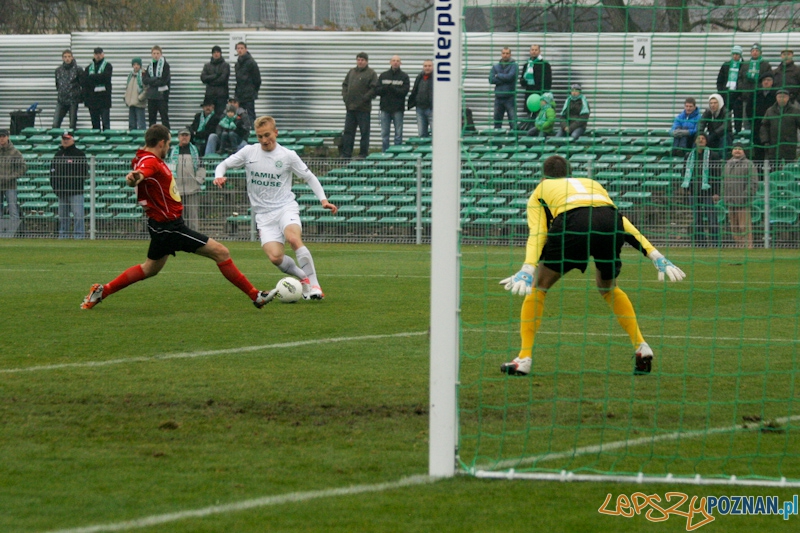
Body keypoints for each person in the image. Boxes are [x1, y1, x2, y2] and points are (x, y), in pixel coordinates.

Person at [499, 155, 685, 377]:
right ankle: (641, 346)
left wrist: (528, 267)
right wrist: (655, 254)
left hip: (574, 223)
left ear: (543, 176)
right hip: (609, 222)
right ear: (570, 172)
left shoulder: (540, 190)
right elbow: (620, 221)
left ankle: (524, 359)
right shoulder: (592, 184)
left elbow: (538, 232)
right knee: (608, 287)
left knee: (539, 286)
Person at [81, 124, 274, 310]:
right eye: (168, 143)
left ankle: (102, 291)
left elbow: (141, 172)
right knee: (221, 252)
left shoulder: (144, 157)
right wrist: (134, 178)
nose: (169, 147)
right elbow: (141, 173)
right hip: (170, 227)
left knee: (150, 268)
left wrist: (137, 176)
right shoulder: (150, 161)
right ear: (161, 143)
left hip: (161, 225)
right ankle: (255, 295)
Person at [213, 116, 338, 300]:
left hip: (285, 208)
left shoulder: (288, 156)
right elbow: (223, 164)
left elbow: (309, 177)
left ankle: (315, 286)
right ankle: (303, 278)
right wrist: (219, 175)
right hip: (263, 215)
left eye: (267, 135)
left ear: (276, 132)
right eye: (260, 136)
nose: (264, 140)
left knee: (293, 239)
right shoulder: (249, 152)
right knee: (275, 258)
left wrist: (323, 200)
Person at [682, 132, 722, 247]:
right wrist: (687, 189)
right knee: (697, 219)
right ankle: (701, 243)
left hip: (708, 192)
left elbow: (717, 175)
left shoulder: (713, 155)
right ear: (695, 141)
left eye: (703, 138)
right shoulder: (688, 156)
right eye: (698, 138)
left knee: (712, 218)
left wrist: (716, 192)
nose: (700, 140)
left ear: (706, 141)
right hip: (694, 192)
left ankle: (715, 243)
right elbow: (684, 172)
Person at [49, 131, 88, 239]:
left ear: (73, 140)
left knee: (78, 215)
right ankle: (63, 236)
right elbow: (52, 173)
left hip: (76, 192)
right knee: (63, 216)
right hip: (61, 192)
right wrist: (56, 188)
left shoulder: (79, 154)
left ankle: (79, 236)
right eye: (64, 139)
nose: (65, 141)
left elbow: (84, 172)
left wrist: (75, 184)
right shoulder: (58, 154)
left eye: (68, 139)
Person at [341, 52, 378, 160]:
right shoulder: (351, 72)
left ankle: (363, 153)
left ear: (366, 61)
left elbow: (374, 88)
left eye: (362, 60)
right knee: (348, 132)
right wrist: (345, 97)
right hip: (350, 108)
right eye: (358, 59)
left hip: (363, 109)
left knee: (364, 133)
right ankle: (346, 154)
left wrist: (365, 99)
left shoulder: (371, 73)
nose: (360, 62)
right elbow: (345, 85)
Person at [167, 129, 205, 231]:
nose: (185, 137)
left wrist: (198, 180)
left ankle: (194, 237)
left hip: (192, 189)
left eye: (187, 135)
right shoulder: (172, 151)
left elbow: (201, 167)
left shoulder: (196, 151)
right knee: (178, 216)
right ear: (179, 137)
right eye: (182, 135)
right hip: (176, 190)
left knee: (193, 216)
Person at [723, 144, 758, 249]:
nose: (737, 151)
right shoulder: (727, 164)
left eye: (740, 149)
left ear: (744, 151)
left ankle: (748, 247)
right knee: (734, 226)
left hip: (743, 201)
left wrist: (745, 196)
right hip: (730, 201)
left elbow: (753, 182)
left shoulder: (749, 164)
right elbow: (723, 182)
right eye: (735, 149)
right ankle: (739, 246)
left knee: (744, 226)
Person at [378, 55, 410, 151]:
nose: (395, 62)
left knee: (398, 134)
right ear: (390, 62)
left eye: (397, 61)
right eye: (393, 60)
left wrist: (392, 88)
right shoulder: (383, 75)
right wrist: (386, 88)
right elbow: (377, 90)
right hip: (385, 109)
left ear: (400, 63)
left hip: (398, 109)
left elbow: (404, 92)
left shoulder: (404, 76)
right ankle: (385, 152)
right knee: (384, 134)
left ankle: (397, 153)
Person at [760, 88, 800, 164]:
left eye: (784, 97)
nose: (782, 99)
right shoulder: (770, 111)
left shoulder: (795, 111)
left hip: (789, 146)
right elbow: (764, 127)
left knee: (789, 168)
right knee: (774, 168)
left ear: (788, 98)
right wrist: (765, 141)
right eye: (779, 97)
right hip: (774, 146)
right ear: (776, 98)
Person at [739, 43, 772, 134]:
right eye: (753, 51)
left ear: (760, 52)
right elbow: (740, 78)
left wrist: (761, 89)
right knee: (746, 120)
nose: (755, 53)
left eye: (757, 51)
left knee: (761, 119)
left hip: (760, 97)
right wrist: (742, 89)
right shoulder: (745, 64)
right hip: (746, 97)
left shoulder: (765, 65)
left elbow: (768, 78)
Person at [0, 129, 26, 238]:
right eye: (0, 136)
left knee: (13, 210)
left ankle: (14, 234)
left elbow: (23, 167)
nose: (2, 139)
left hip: (10, 185)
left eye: (3, 136)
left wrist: (11, 177)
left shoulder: (14, 152)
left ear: (8, 137)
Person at [519, 44, 552, 126]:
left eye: (536, 50)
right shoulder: (527, 65)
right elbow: (522, 81)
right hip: (529, 95)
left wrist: (544, 95)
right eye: (532, 50)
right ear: (530, 51)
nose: (534, 51)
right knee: (530, 118)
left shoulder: (545, 64)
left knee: (541, 117)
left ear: (539, 51)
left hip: (540, 95)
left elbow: (548, 81)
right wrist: (524, 80)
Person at [83, 47, 112, 131]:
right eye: (96, 54)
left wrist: (92, 77)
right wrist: (98, 78)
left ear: (103, 54)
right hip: (92, 100)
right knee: (95, 124)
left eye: (99, 54)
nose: (98, 56)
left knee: (105, 123)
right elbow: (85, 81)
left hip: (104, 99)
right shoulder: (88, 68)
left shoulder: (108, 66)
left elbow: (106, 77)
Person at [53, 49, 83, 131]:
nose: (67, 59)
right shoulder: (58, 70)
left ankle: (71, 141)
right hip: (61, 100)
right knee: (55, 123)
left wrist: (78, 96)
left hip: (73, 100)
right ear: (62, 58)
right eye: (65, 57)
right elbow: (57, 84)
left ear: (72, 57)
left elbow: (82, 84)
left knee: (72, 124)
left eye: (69, 57)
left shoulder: (78, 70)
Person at [716, 45, 744, 134]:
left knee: (738, 116)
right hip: (726, 95)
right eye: (734, 54)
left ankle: (738, 132)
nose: (735, 56)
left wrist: (742, 95)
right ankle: (727, 132)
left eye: (737, 54)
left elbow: (746, 82)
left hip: (738, 95)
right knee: (725, 115)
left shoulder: (744, 65)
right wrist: (721, 93)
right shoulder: (726, 65)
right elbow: (719, 81)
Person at [489, 47, 518, 130]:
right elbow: (491, 79)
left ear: (510, 54)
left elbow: (510, 77)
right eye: (504, 53)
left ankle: (514, 141)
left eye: (507, 53)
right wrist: (504, 79)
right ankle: (497, 142)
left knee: (513, 122)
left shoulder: (514, 65)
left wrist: (498, 75)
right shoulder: (496, 66)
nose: (505, 55)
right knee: (497, 122)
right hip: (498, 98)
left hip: (510, 97)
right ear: (501, 54)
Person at [143, 45, 171, 128]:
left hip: (162, 96)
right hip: (151, 96)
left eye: (157, 53)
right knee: (152, 118)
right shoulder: (150, 66)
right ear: (151, 54)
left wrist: (152, 81)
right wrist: (155, 79)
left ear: (161, 54)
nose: (156, 55)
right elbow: (145, 80)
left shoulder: (165, 66)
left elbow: (164, 80)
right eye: (154, 53)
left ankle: (166, 135)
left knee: (164, 118)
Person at [697, 93, 732, 158]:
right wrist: (700, 132)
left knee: (723, 140)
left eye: (715, 103)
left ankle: (722, 159)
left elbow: (725, 126)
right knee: (699, 139)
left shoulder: (726, 112)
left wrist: (715, 134)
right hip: (712, 135)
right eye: (711, 103)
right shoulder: (708, 111)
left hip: (724, 135)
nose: (713, 105)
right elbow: (702, 122)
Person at [753, 72, 777, 165]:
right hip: (757, 128)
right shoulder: (755, 94)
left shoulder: (776, 95)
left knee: (772, 155)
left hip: (772, 128)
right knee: (759, 153)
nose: (766, 82)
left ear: (772, 82)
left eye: (768, 80)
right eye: (764, 80)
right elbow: (749, 110)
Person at [234, 42, 260, 124]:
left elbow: (257, 80)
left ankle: (252, 133)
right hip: (240, 95)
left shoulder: (251, 62)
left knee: (250, 115)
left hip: (249, 95)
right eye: (238, 48)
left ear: (246, 49)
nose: (240, 50)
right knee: (240, 116)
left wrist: (253, 90)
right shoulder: (237, 64)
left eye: (242, 48)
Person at [201, 45, 230, 116]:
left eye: (217, 52)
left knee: (220, 115)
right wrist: (216, 75)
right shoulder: (207, 65)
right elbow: (203, 78)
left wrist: (210, 80)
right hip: (210, 95)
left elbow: (223, 79)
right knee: (209, 115)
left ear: (220, 53)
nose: (216, 54)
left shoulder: (225, 65)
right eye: (214, 52)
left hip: (221, 95)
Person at [407, 59, 433, 137]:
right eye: (425, 66)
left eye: (429, 66)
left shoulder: (437, 79)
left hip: (431, 109)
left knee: (435, 134)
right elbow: (415, 90)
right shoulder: (419, 77)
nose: (427, 68)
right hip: (420, 109)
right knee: (421, 133)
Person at [123, 57, 147, 131]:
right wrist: (125, 97)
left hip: (139, 103)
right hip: (131, 103)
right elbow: (128, 88)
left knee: (141, 124)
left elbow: (146, 89)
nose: (136, 66)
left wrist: (140, 98)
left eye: (137, 64)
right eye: (134, 64)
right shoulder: (130, 75)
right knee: (132, 124)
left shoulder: (143, 75)